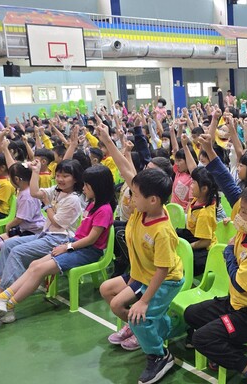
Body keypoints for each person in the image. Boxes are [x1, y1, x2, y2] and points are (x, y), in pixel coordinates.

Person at [0, 165, 115, 323]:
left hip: (87, 251)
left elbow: (91, 239)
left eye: (87, 185)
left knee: (39, 269)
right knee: (34, 265)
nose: (84, 188)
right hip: (76, 244)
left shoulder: (104, 210)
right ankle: (2, 298)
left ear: (98, 187)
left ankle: (8, 305)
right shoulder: (92, 204)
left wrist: (66, 246)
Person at [97, 124, 184, 384]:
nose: (130, 197)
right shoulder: (142, 209)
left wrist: (144, 301)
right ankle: (152, 328)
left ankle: (160, 356)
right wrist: (107, 141)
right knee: (113, 298)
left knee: (139, 314)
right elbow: (126, 170)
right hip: (141, 275)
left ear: (153, 199)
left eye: (134, 194)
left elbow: (163, 270)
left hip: (164, 280)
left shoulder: (161, 230)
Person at [184, 183, 247, 383]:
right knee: (191, 314)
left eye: (244, 212)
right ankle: (233, 346)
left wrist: (228, 253)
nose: (238, 216)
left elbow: (240, 284)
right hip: (236, 304)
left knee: (201, 338)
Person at [0, 159, 83, 298]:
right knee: (7, 245)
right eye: (58, 175)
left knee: (17, 252)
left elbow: (58, 223)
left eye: (65, 176)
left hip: (60, 239)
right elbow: (35, 192)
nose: (60, 179)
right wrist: (35, 172)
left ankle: (4, 297)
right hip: (45, 234)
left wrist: (47, 204)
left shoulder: (73, 199)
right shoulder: (56, 190)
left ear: (75, 179)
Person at [0, 163, 45, 251]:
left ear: (16, 179)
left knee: (3, 245)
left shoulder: (27, 196)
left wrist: (9, 225)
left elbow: (20, 218)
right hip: (24, 228)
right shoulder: (23, 190)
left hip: (34, 231)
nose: (9, 179)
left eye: (10, 178)